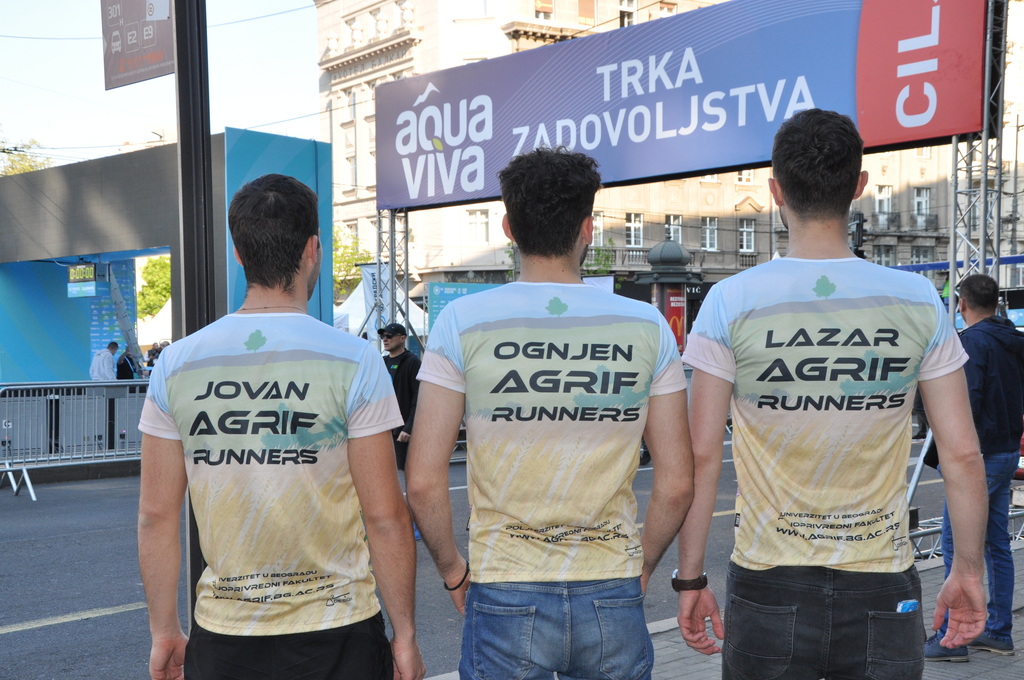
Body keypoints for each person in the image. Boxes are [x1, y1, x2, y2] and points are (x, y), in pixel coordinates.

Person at [675, 109, 989, 678]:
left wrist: (691, 577)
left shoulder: (730, 300)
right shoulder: (917, 298)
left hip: (768, 578)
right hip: (882, 581)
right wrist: (967, 570)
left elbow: (701, 456)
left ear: (775, 191)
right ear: (859, 186)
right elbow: (963, 455)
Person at [407, 147, 694, 680]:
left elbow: (423, 483)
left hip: (503, 582)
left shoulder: (463, 321)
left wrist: (453, 571)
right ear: (588, 229)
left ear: (509, 228)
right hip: (610, 581)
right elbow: (676, 483)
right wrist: (639, 569)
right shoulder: (646, 325)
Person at [137, 174, 425, 680]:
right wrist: (405, 634)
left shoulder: (176, 363)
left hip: (225, 634)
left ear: (238, 254)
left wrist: (164, 632)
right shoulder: (355, 359)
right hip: (338, 630)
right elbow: (385, 516)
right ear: (313, 249)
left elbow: (156, 516)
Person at [925, 273, 1022, 660]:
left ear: (961, 304)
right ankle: (997, 631)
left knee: (958, 544)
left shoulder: (970, 343)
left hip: (979, 457)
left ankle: (954, 636)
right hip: (1006, 450)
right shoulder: (1013, 339)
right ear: (996, 302)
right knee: (997, 544)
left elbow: (966, 403)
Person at [377, 322, 420, 472]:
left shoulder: (412, 362)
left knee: (405, 470)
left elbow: (418, 397)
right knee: (384, 471)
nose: (385, 339)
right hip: (384, 427)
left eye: (389, 336)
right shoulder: (381, 362)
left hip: (402, 429)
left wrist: (409, 427)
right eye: (383, 336)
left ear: (402, 338)